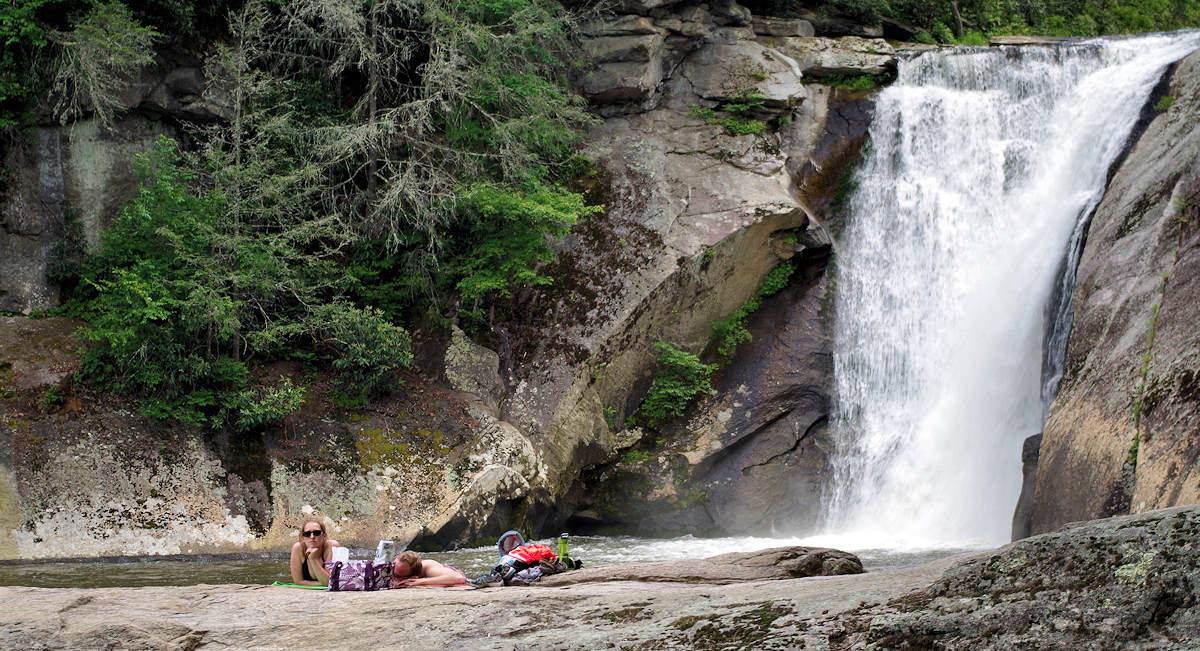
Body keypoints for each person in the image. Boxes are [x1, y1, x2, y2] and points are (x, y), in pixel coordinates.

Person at [289, 520, 341, 586]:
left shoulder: (332, 546)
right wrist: (323, 584)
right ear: (303, 538)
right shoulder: (298, 548)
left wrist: (313, 559)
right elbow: (298, 582)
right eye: (307, 534)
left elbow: (329, 582)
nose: (312, 537)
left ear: (324, 536)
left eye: (316, 533)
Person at [390, 550, 468, 587]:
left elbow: (458, 577)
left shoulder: (430, 567)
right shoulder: (394, 564)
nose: (392, 572)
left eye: (396, 575)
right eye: (392, 566)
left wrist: (420, 582)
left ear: (413, 577)